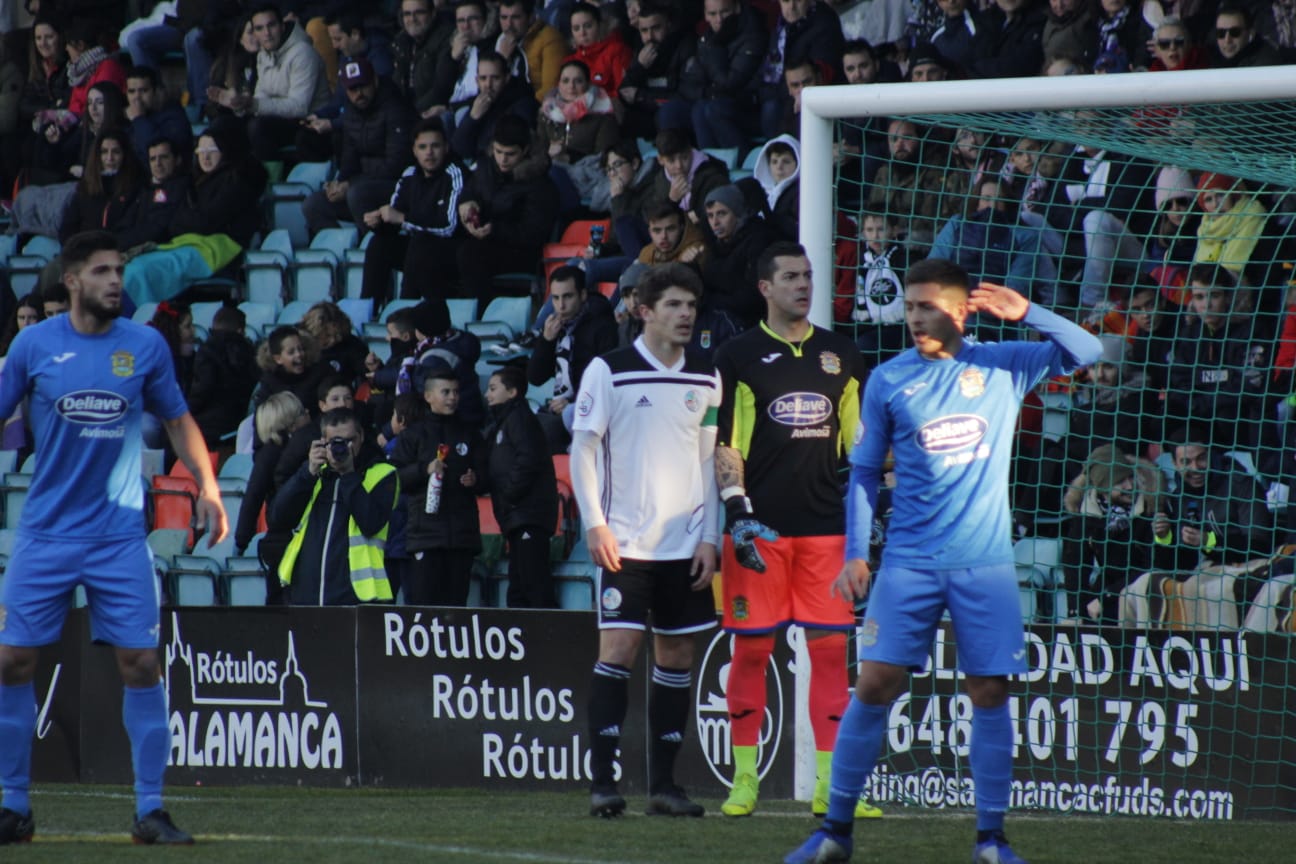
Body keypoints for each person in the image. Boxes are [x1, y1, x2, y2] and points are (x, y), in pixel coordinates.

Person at [785, 258, 1100, 864]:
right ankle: (834, 832)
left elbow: (1088, 349)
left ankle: (990, 840)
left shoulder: (1004, 363)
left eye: (926, 306)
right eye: (908, 307)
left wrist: (1027, 312)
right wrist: (856, 554)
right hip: (908, 563)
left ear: (960, 311)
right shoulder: (888, 379)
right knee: (873, 683)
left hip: (986, 563)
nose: (914, 318)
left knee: (989, 691)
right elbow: (863, 474)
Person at [0, 230, 227, 846]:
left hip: (118, 538)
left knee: (142, 662)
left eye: (119, 270)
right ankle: (13, 806)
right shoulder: (33, 344)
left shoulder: (145, 345)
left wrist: (209, 488)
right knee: (12, 660)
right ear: (71, 280)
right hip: (46, 533)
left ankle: (150, 810)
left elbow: (177, 418)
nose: (115, 281)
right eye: (102, 271)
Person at [712, 242, 879, 821]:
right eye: (790, 277)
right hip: (757, 532)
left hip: (827, 532)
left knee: (831, 657)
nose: (803, 285)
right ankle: (744, 780)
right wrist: (737, 511)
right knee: (752, 652)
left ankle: (830, 787)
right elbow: (726, 443)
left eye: (807, 276)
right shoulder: (736, 355)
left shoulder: (842, 353)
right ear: (765, 287)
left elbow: (862, 446)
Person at [571, 262, 721, 819]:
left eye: (691, 305)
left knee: (677, 656)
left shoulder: (707, 375)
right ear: (644, 311)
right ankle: (603, 783)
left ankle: (665, 786)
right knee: (618, 652)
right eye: (674, 305)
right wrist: (595, 523)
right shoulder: (608, 370)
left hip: (686, 546)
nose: (686, 315)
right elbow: (583, 448)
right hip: (626, 542)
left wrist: (709, 536)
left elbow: (708, 460)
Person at [271, 406, 398, 606]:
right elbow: (278, 518)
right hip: (306, 594)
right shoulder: (316, 473)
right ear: (323, 441)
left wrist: (348, 474)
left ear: (361, 436)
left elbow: (371, 523)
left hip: (356, 597)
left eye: (349, 440)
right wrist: (307, 473)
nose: (343, 448)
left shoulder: (383, 473)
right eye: (336, 442)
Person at [391, 367, 483, 606]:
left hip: (462, 537)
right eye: (446, 392)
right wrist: (424, 469)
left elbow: (487, 475)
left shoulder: (470, 433)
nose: (452, 397)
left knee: (456, 610)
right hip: (425, 536)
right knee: (425, 609)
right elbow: (395, 478)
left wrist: (476, 479)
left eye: (456, 392)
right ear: (428, 396)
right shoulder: (413, 435)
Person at [300, 57, 414, 237]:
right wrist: (339, 184)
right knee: (314, 204)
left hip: (397, 187)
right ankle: (340, 247)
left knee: (357, 193)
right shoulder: (351, 114)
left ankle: (374, 245)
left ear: (375, 80)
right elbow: (349, 161)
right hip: (362, 185)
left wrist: (351, 184)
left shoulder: (395, 109)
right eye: (352, 89)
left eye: (363, 86)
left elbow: (396, 165)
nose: (359, 94)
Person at [363, 119, 467, 305]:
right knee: (379, 244)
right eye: (423, 147)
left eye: (435, 146)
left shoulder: (455, 173)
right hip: (419, 251)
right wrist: (378, 222)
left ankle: (406, 307)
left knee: (419, 243)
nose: (429, 152)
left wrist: (403, 218)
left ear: (446, 148)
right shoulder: (409, 174)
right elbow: (394, 221)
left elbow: (449, 226)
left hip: (452, 252)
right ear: (414, 151)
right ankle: (367, 309)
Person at [482, 365, 559, 608]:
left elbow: (528, 459)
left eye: (493, 388)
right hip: (517, 517)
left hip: (528, 516)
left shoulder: (520, 419)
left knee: (534, 586)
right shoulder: (504, 423)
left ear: (512, 392)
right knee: (518, 590)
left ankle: (550, 631)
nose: (487, 394)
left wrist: (509, 495)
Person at [526, 266, 618, 451]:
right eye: (555, 298)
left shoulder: (603, 326)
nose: (561, 306)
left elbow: (608, 381)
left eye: (568, 297)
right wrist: (546, 341)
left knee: (542, 435)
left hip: (591, 411)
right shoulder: (556, 326)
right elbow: (536, 377)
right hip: (562, 409)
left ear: (583, 295)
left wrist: (573, 402)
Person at [188, 305, 258, 446]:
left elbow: (202, 391)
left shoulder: (208, 350)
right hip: (239, 421)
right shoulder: (251, 352)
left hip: (209, 427)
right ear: (241, 330)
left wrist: (185, 411)